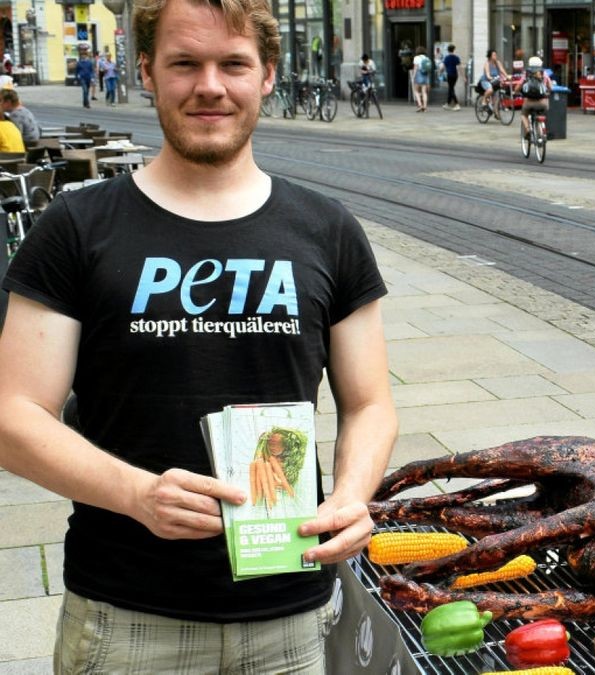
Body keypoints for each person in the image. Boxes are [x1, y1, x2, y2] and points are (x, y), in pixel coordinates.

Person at [0, 0, 397, 670]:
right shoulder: (75, 228)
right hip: (128, 617)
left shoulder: (328, 229)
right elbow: (13, 415)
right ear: (148, 72)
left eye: (233, 64)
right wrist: (135, 493)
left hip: (296, 610)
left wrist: (353, 496)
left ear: (267, 74)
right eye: (184, 63)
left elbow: (370, 403)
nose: (209, 85)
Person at [519, 55, 553, 140]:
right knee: (540, 114)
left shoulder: (526, 74)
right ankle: (541, 134)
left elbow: (519, 86)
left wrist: (516, 91)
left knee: (524, 114)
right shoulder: (544, 74)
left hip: (529, 103)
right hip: (543, 103)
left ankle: (527, 130)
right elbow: (550, 87)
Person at [441, 43, 461, 111]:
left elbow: (443, 67)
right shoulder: (456, 58)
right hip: (455, 75)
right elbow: (458, 68)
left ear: (448, 50)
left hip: (449, 75)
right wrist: (463, 77)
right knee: (451, 88)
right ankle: (447, 104)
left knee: (451, 89)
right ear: (454, 50)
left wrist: (440, 71)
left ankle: (457, 104)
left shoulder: (447, 58)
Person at [411, 45, 430, 112]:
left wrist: (413, 77)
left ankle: (420, 105)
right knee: (424, 92)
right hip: (425, 75)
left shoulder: (416, 58)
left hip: (419, 74)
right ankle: (425, 107)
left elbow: (415, 68)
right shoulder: (427, 58)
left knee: (416, 91)